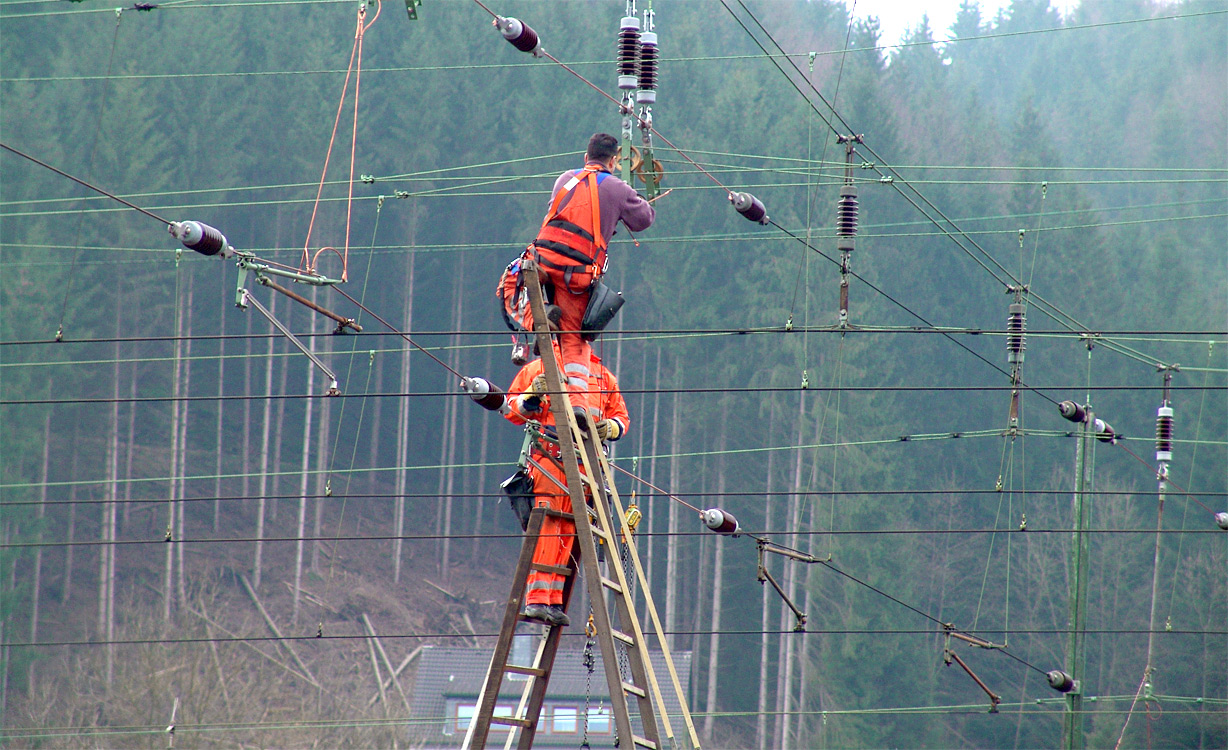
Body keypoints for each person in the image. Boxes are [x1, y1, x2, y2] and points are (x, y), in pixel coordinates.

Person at [463, 345, 629, 627]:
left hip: (584, 468)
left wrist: (610, 427)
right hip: (549, 461)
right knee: (549, 528)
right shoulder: (539, 370)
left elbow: (621, 418)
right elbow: (512, 411)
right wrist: (532, 395)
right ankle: (538, 599)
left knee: (569, 530)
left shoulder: (603, 377)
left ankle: (552, 600)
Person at [499, 133, 654, 426]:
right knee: (574, 341)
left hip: (541, 259)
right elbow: (644, 219)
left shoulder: (565, 179)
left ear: (586, 158)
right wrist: (631, 201)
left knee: (509, 286)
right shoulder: (617, 188)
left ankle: (538, 318)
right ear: (612, 161)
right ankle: (579, 406)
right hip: (578, 275)